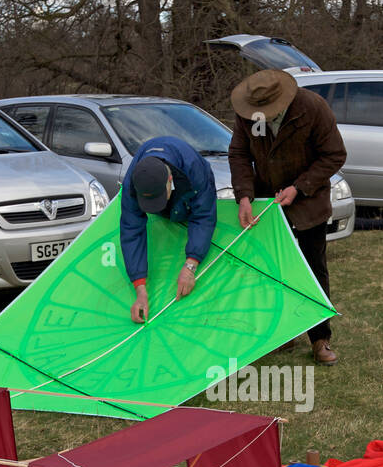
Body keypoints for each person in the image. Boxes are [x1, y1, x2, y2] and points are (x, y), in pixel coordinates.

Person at [228, 68, 347, 365]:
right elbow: (239, 154)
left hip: (309, 203)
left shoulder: (313, 107)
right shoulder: (247, 116)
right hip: (268, 205)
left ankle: (320, 338)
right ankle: (282, 335)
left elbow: (334, 154)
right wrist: (244, 195)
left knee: (312, 271)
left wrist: (300, 187)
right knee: (272, 271)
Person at [119, 135, 217, 323]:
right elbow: (131, 229)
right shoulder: (132, 182)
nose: (155, 205)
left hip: (190, 188)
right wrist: (140, 291)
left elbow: (203, 216)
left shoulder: (194, 169)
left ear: (170, 180)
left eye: (158, 199)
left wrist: (190, 266)